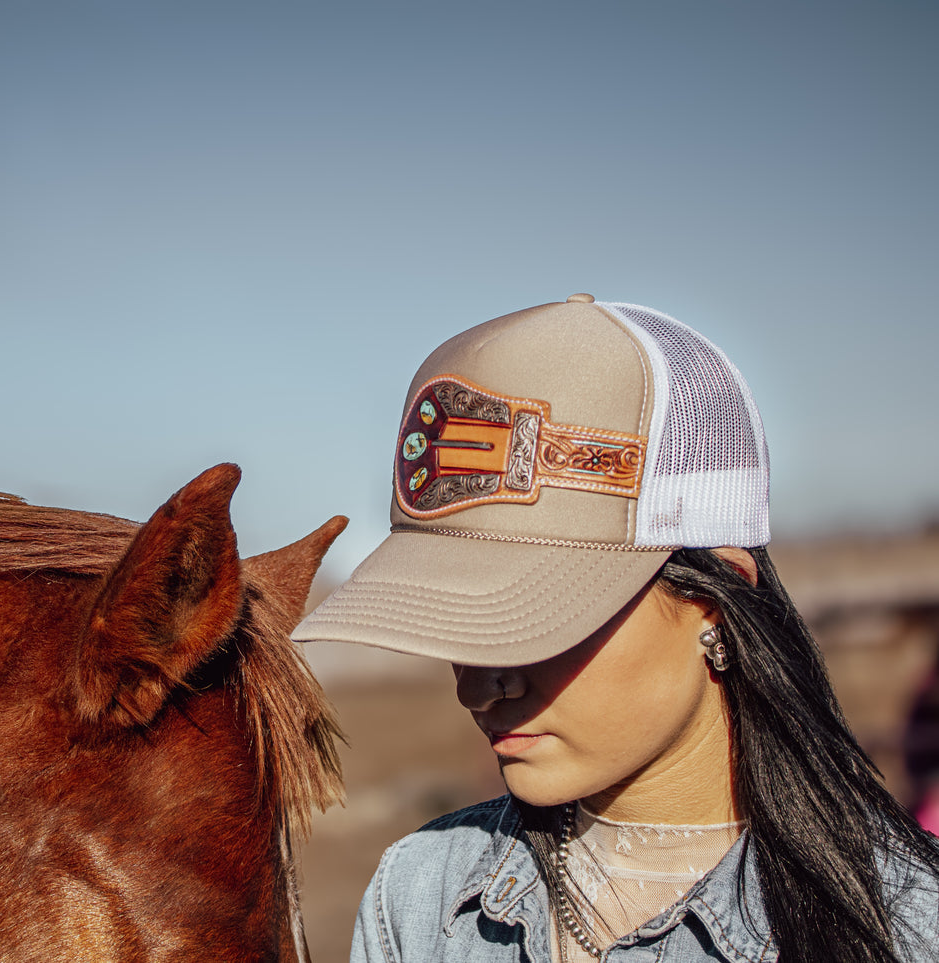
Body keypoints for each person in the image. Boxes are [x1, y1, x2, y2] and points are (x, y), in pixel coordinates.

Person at [294, 295, 939, 962]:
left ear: (716, 601)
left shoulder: (910, 928)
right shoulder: (419, 898)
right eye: (456, 621)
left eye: (533, 618)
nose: (477, 687)